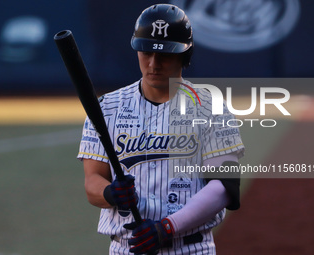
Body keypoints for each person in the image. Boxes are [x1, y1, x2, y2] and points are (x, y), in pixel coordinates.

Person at [78, 4, 244, 255]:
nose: (153, 63)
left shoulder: (211, 108)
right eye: (146, 52)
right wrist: (110, 193)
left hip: (191, 249)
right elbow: (92, 180)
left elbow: (225, 186)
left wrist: (166, 228)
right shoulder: (106, 108)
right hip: (126, 249)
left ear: (184, 55)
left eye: (165, 54)